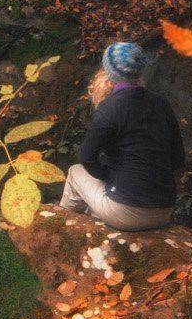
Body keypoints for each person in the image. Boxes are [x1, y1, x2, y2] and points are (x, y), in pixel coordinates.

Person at [59, 41, 184, 232]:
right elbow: (178, 159)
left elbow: (86, 157)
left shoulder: (109, 108)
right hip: (164, 210)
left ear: (109, 74)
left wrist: (108, 176)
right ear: (140, 72)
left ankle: (62, 229)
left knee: (76, 172)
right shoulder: (161, 104)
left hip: (126, 212)